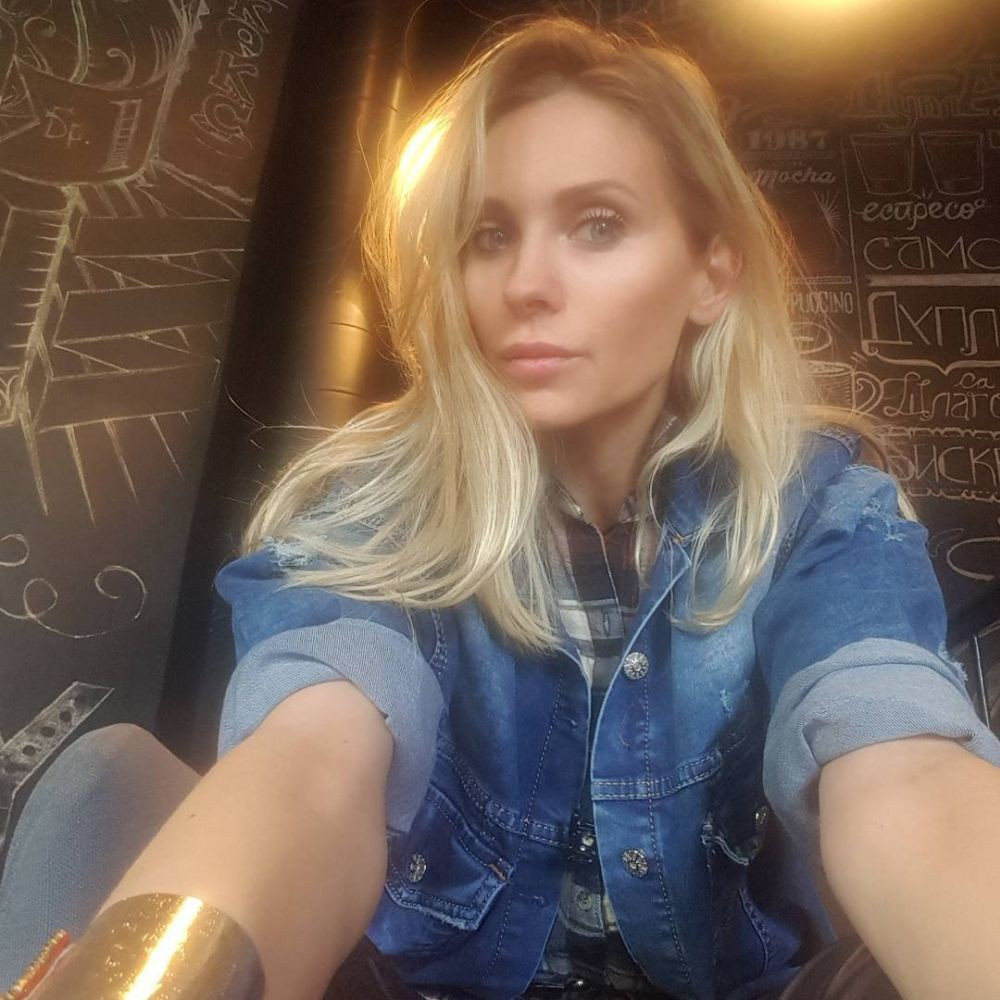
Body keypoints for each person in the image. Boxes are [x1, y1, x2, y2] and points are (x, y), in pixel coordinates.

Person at [2, 13, 1000, 1000]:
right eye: (489, 235)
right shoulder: (373, 505)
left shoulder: (821, 506)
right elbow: (312, 764)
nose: (525, 283)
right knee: (113, 789)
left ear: (711, 270)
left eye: (597, 224)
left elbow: (894, 763)